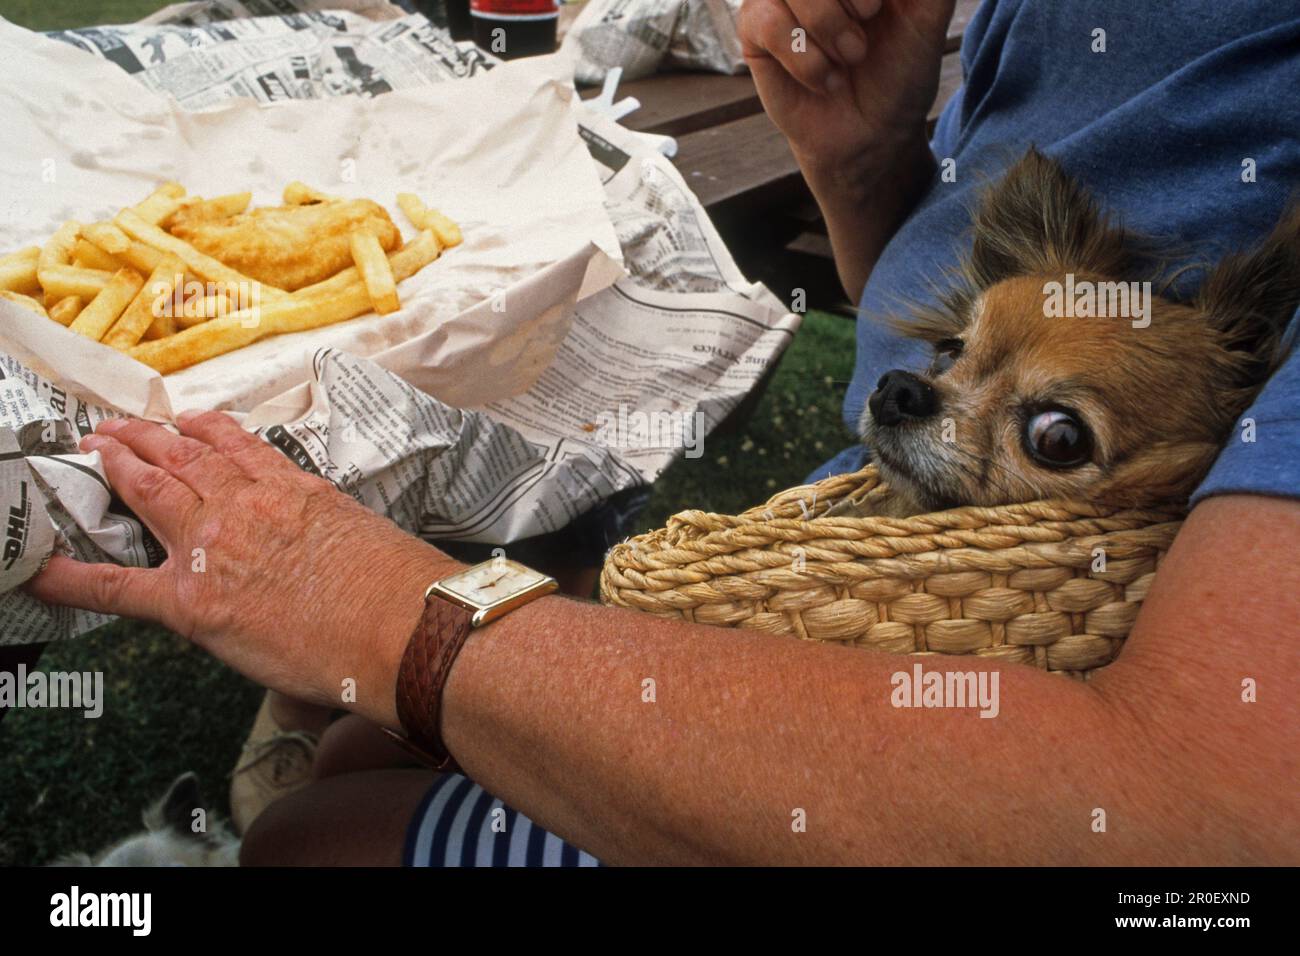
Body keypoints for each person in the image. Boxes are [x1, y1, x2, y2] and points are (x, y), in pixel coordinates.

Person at [27, 0, 1299, 865]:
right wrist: (861, 168)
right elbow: (907, 366)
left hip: (954, 712)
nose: (933, 379)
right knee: (360, 739)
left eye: (1055, 432)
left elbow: (1199, 821)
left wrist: (384, 609)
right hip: (814, 577)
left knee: (312, 842)